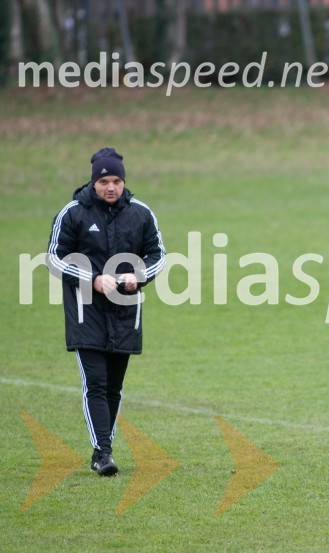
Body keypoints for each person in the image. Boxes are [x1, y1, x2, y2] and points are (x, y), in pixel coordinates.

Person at [47, 147, 166, 477]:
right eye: (104, 181)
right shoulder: (73, 214)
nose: (111, 187)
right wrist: (92, 279)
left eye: (116, 181)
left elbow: (158, 255)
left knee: (114, 386)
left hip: (126, 313)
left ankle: (104, 448)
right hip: (86, 315)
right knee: (96, 384)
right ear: (94, 181)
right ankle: (103, 452)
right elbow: (54, 259)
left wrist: (137, 277)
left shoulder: (141, 214)